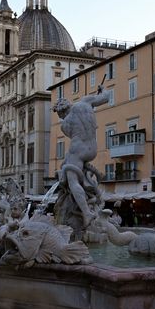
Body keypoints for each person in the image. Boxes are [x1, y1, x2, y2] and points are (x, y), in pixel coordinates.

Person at [52, 86, 112, 227]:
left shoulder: (64, 124)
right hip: (92, 149)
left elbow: (72, 133)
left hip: (78, 149)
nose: (60, 118)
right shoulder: (85, 102)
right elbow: (106, 97)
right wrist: (103, 89)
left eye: (59, 115)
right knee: (70, 163)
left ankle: (86, 212)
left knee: (72, 180)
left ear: (61, 113)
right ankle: (94, 178)